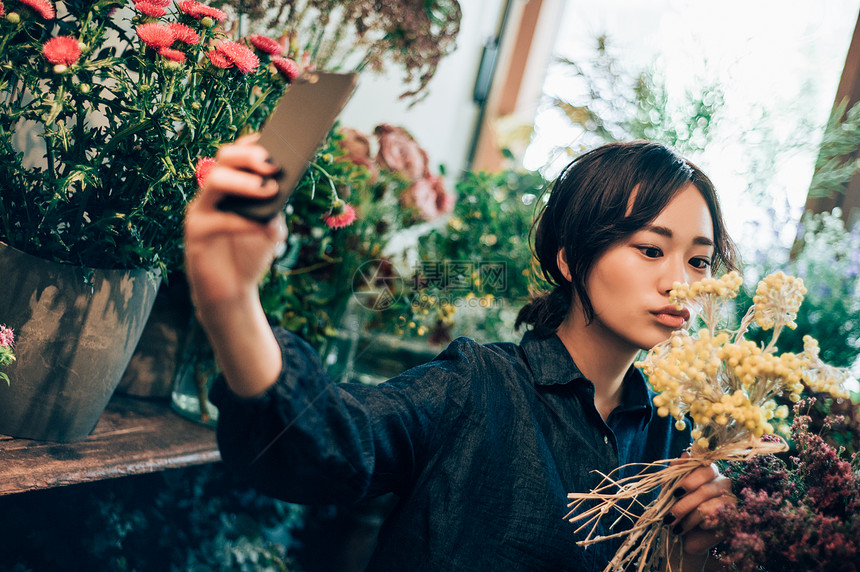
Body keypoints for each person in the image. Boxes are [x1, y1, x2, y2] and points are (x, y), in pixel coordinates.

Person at [184, 137, 737, 571]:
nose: (680, 283)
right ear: (570, 259)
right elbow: (330, 440)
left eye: (699, 261)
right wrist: (231, 302)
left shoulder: (678, 442)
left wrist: (692, 555)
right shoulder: (479, 386)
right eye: (650, 250)